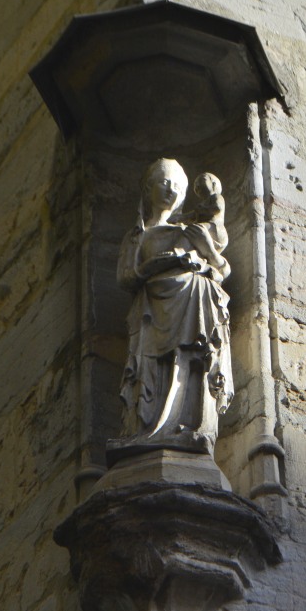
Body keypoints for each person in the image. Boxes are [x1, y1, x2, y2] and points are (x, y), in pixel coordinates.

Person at [106, 158, 233, 463]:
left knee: (191, 361)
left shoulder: (189, 230)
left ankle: (194, 426)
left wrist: (207, 250)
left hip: (193, 302)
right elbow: (126, 277)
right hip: (152, 311)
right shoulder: (138, 235)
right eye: (164, 182)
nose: (170, 189)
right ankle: (147, 431)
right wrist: (157, 264)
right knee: (151, 370)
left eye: (177, 185)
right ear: (148, 189)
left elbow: (222, 268)